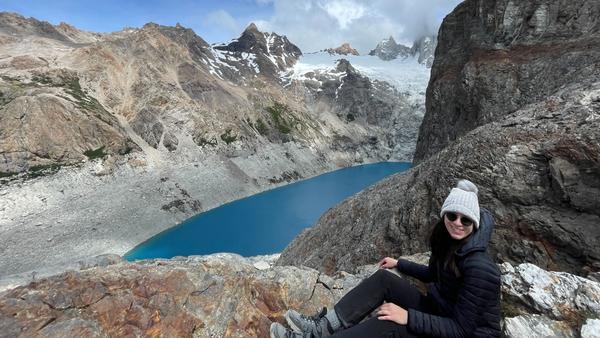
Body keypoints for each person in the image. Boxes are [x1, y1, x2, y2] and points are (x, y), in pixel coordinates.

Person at [270, 179, 501, 337]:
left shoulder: (480, 267)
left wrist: (408, 317)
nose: (457, 223)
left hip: (459, 332)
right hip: (440, 312)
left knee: (388, 320)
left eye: (466, 220)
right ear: (444, 215)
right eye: (452, 215)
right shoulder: (450, 243)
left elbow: (461, 330)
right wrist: (399, 264)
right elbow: (433, 274)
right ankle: (321, 330)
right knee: (384, 279)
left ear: (475, 223)